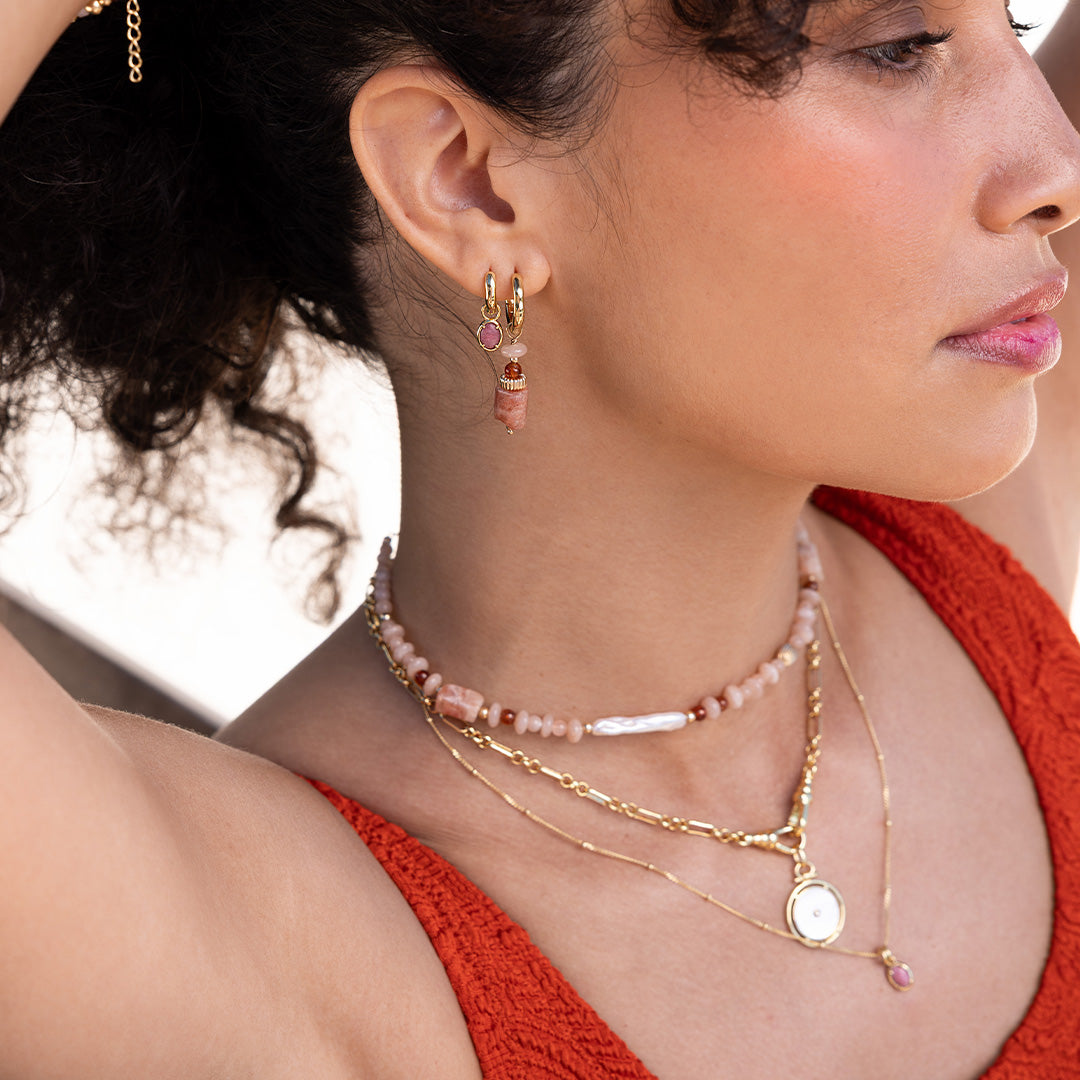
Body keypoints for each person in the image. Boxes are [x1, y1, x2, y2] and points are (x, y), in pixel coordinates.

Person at [2, 0, 1080, 1075]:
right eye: (896, 48)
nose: (1056, 167)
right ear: (465, 176)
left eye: (1017, 20)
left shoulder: (968, 571)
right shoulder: (238, 945)